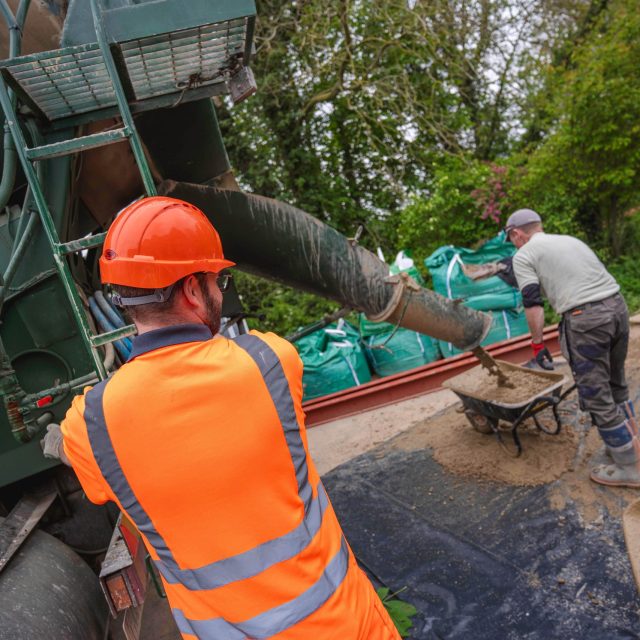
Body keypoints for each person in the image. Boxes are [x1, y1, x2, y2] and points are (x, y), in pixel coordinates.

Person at [42, 196, 401, 640]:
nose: (220, 290)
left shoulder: (92, 424)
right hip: (345, 625)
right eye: (219, 279)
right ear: (193, 289)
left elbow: (70, 451)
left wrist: (65, 439)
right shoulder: (271, 361)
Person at [505, 208, 638, 488]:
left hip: (587, 320)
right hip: (616, 307)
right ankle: (631, 444)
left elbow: (532, 302)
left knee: (596, 394)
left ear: (516, 233)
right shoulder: (570, 241)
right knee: (616, 383)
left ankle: (630, 466)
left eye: (511, 239)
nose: (513, 244)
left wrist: (538, 344)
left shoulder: (524, 255)